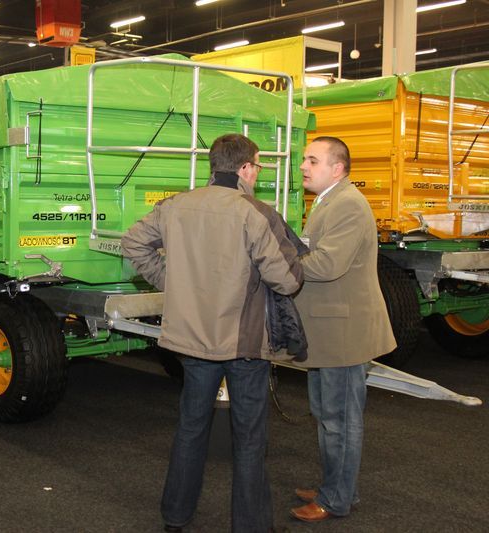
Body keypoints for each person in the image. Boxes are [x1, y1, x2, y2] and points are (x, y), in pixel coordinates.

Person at [121, 133, 305, 533]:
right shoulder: (256, 213)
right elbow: (288, 281)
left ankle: (175, 517)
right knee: (250, 438)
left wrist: (173, 280)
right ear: (243, 168)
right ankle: (251, 526)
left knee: (190, 428)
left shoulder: (175, 206)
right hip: (244, 345)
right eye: (256, 166)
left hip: (191, 340)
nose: (256, 174)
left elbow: (133, 244)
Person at [289, 136, 396, 522]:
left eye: (313, 161)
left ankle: (336, 499)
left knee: (341, 420)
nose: (304, 166)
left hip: (344, 333)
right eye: (305, 159)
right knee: (327, 414)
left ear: (338, 168)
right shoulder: (327, 201)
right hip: (329, 330)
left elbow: (326, 265)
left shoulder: (347, 204)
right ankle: (334, 486)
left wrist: (280, 259)